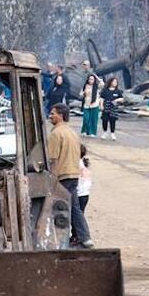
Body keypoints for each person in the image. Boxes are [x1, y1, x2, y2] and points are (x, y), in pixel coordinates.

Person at [47, 103, 93, 248]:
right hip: (73, 174)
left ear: (61, 115)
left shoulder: (56, 134)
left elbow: (52, 159)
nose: (50, 115)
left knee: (57, 209)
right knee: (74, 207)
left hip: (62, 175)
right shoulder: (72, 133)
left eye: (53, 113)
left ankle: (58, 240)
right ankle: (84, 237)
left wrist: (51, 180)